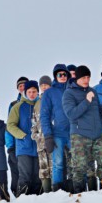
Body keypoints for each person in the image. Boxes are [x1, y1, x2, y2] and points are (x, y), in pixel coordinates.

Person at [62, 65, 102, 192]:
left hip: (96, 134)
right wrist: (86, 101)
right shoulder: (68, 93)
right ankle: (79, 195)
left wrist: (101, 125)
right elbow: (71, 114)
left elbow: (98, 111)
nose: (86, 80)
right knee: (79, 167)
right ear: (77, 78)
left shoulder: (92, 91)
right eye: (83, 77)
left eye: (88, 77)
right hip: (79, 135)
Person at [40, 64, 71, 192]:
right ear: (55, 76)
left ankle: (77, 188)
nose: (62, 77)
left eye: (64, 74)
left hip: (73, 132)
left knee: (75, 163)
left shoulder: (72, 90)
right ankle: (57, 190)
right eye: (59, 74)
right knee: (58, 163)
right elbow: (44, 115)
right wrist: (48, 135)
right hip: (57, 133)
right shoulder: (49, 93)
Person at [7, 80, 41, 196]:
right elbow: (10, 125)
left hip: (39, 147)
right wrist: (23, 136)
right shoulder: (17, 107)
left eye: (34, 91)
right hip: (23, 148)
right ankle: (22, 202)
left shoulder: (40, 105)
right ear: (25, 92)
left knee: (37, 177)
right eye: (29, 92)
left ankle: (38, 202)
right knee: (25, 176)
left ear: (37, 92)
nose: (32, 94)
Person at [6, 77, 28, 196]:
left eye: (24, 85)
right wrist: (10, 147)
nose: (22, 87)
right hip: (17, 143)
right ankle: (18, 196)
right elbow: (9, 126)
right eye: (20, 86)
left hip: (32, 143)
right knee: (16, 172)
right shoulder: (13, 105)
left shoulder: (36, 100)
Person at [33, 75, 54, 193]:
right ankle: (46, 194)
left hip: (53, 140)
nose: (44, 87)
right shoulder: (37, 103)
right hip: (41, 143)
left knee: (54, 167)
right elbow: (33, 123)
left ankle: (57, 192)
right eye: (42, 85)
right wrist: (35, 135)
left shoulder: (54, 99)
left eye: (46, 85)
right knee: (44, 169)